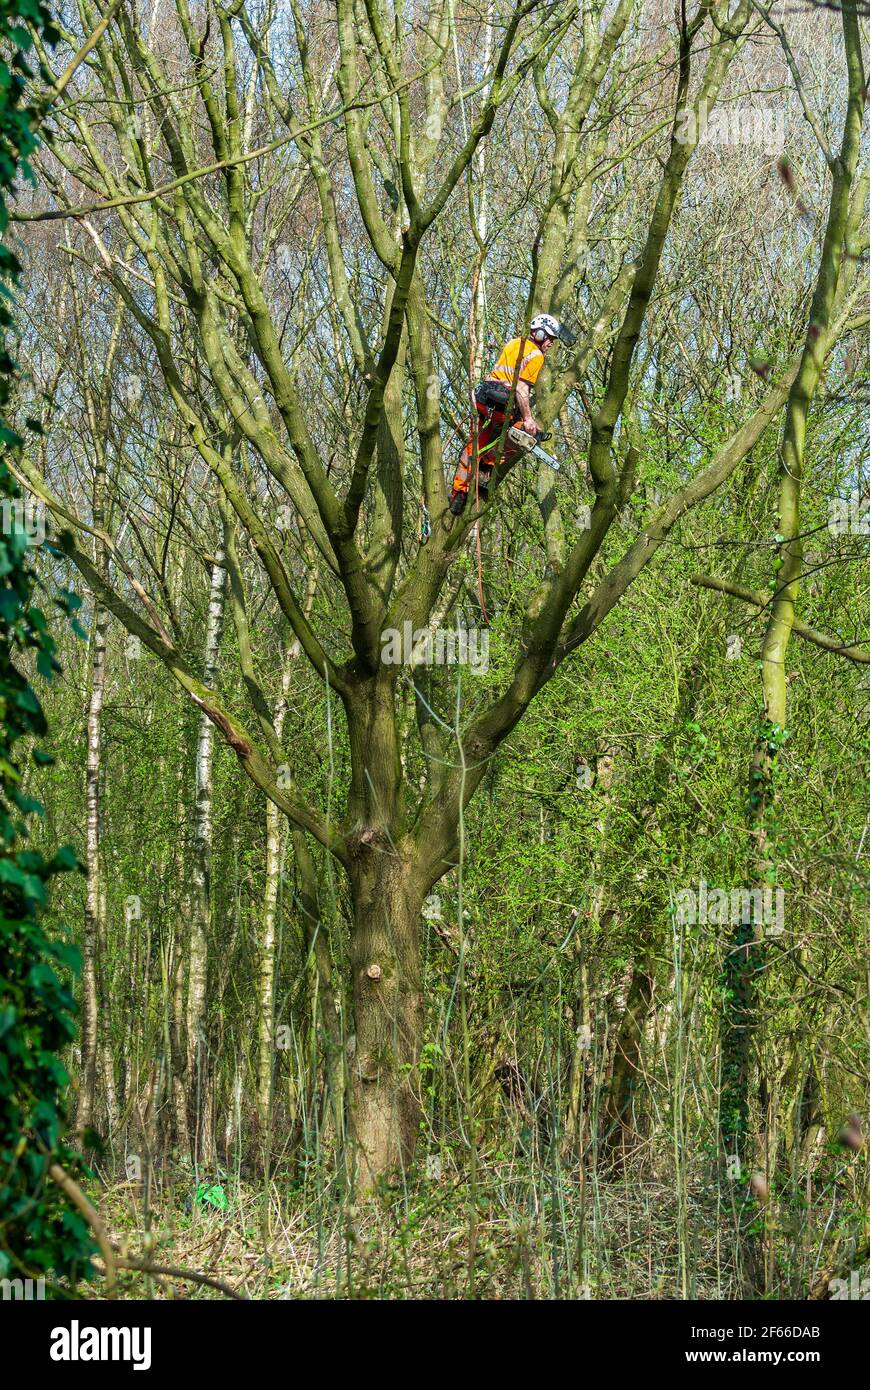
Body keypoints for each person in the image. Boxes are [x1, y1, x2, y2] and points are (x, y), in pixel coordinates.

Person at [449, 313, 567, 515]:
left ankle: (459, 491)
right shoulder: (536, 356)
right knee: (524, 436)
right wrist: (528, 419)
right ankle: (487, 465)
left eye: (553, 339)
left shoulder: (514, 343)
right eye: (548, 337)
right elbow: (521, 389)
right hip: (502, 406)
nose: (550, 343)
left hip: (484, 399)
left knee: (477, 442)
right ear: (538, 334)